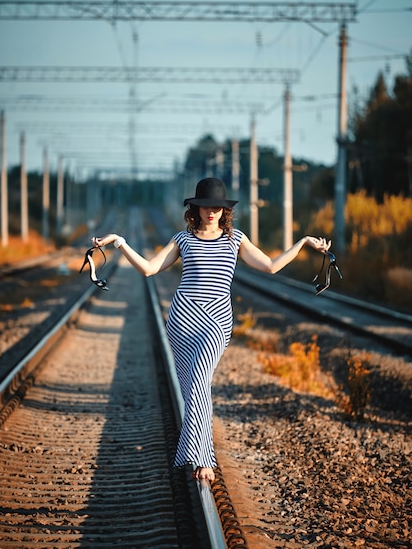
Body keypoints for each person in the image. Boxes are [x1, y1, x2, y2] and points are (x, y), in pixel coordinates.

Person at [91, 177, 331, 483]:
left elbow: (270, 265)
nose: (211, 212)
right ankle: (199, 455)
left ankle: (203, 457)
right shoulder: (183, 240)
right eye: (205, 206)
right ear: (195, 208)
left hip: (217, 322)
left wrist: (303, 242)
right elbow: (150, 269)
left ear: (224, 209)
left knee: (201, 381)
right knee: (193, 388)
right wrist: (120, 242)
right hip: (182, 320)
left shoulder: (236, 240)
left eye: (216, 207)